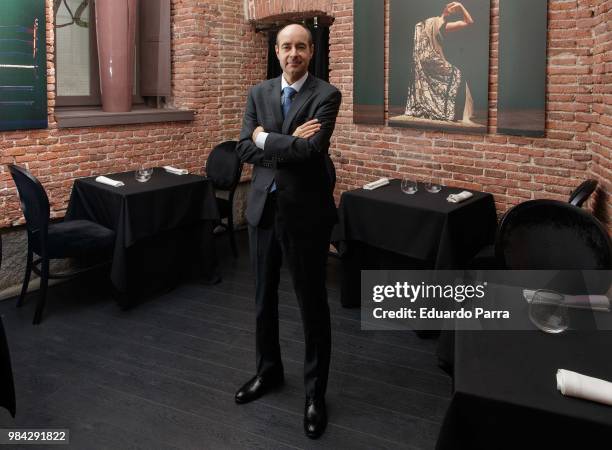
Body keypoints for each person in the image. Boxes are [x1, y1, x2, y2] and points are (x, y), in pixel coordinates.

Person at [234, 23, 341, 439]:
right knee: (263, 300)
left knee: (312, 307)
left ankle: (316, 395)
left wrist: (264, 137)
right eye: (285, 47)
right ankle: (268, 372)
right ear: (276, 52)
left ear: (311, 51)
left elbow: (311, 149)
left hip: (305, 216)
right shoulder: (258, 93)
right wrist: (278, 139)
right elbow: (242, 146)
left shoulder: (326, 95)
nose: (292, 53)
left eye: (300, 46)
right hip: (263, 209)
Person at [405, 1, 475, 123]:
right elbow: (469, 21)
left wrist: (455, 8)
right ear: (445, 9)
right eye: (450, 7)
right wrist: (461, 6)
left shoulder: (421, 24)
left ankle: (434, 108)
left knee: (437, 83)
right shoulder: (440, 24)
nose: (451, 9)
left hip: (421, 61)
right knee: (457, 75)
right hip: (432, 60)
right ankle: (446, 111)